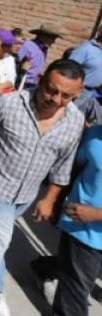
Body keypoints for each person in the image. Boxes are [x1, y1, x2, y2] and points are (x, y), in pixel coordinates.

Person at [0, 59, 85, 316]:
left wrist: (49, 199)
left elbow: (63, 164)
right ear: (42, 78)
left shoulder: (75, 121)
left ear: (78, 94)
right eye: (51, 89)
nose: (56, 99)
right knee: (0, 241)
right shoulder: (10, 103)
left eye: (66, 95)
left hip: (28, 191)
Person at [52, 124, 102, 316]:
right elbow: (73, 169)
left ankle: (43, 269)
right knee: (76, 289)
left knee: (75, 270)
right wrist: (54, 203)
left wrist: (97, 214)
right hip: (82, 227)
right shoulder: (93, 135)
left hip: (91, 219)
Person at [18, 23, 63, 88]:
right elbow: (15, 63)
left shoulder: (44, 49)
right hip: (21, 82)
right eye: (53, 38)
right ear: (43, 36)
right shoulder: (27, 46)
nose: (53, 42)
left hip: (32, 84)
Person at [69, 24, 102, 96]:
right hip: (78, 90)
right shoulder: (86, 48)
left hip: (92, 92)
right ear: (100, 31)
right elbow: (69, 68)